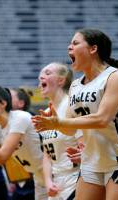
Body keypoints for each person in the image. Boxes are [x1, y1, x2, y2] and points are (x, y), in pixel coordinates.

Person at [32, 28, 118, 200]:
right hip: (91, 160)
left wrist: (59, 123)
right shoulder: (75, 85)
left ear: (93, 49)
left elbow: (102, 119)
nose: (69, 47)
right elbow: (69, 129)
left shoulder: (115, 77)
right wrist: (53, 123)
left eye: (75, 43)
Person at [38, 62, 83, 199]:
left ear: (61, 80)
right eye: (41, 74)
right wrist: (48, 181)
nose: (41, 77)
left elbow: (85, 145)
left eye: (47, 73)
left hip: (76, 176)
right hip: (56, 182)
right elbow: (47, 155)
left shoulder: (73, 105)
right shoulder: (46, 113)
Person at [10, 88, 36, 200]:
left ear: (21, 103)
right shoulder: (4, 124)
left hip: (36, 180)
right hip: (19, 181)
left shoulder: (30, 119)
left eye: (9, 97)